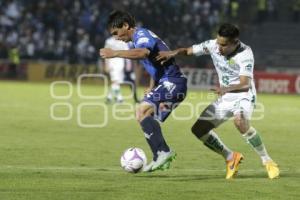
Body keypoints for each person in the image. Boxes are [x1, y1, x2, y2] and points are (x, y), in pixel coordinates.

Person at [156, 23, 279, 179]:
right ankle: (230, 157)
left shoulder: (245, 53)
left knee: (240, 121)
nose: (219, 47)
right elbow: (188, 51)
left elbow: (245, 83)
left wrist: (226, 89)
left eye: (224, 45)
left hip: (244, 95)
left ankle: (267, 161)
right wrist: (172, 53)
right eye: (218, 42)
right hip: (225, 96)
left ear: (235, 42)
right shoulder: (212, 45)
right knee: (198, 130)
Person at [100, 10, 187, 172]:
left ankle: (163, 152)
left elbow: (144, 53)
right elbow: (154, 63)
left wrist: (114, 53)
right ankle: (160, 156)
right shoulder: (134, 42)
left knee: (141, 111)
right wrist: (152, 85)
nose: (117, 37)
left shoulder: (141, 34)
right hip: (169, 83)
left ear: (126, 25)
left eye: (116, 32)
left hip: (173, 82)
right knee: (145, 118)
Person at [103, 36, 129, 103]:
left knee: (117, 81)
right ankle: (119, 98)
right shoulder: (109, 41)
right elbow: (105, 52)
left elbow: (127, 52)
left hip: (121, 63)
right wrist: (106, 64)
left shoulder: (123, 40)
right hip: (112, 62)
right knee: (115, 81)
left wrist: (128, 64)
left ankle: (109, 97)